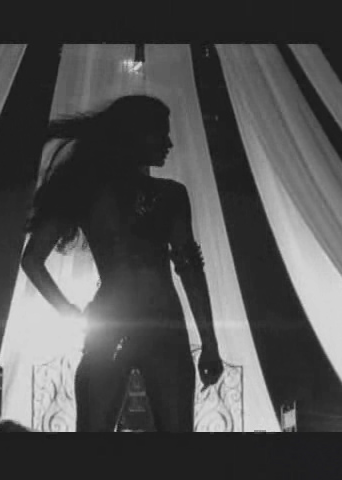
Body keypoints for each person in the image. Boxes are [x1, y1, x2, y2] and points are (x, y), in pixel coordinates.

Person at [21, 95, 223, 432]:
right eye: (161, 133)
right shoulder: (170, 195)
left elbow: (31, 261)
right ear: (134, 135)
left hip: (113, 322)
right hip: (162, 325)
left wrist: (70, 312)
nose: (169, 143)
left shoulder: (86, 191)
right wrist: (209, 343)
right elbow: (189, 268)